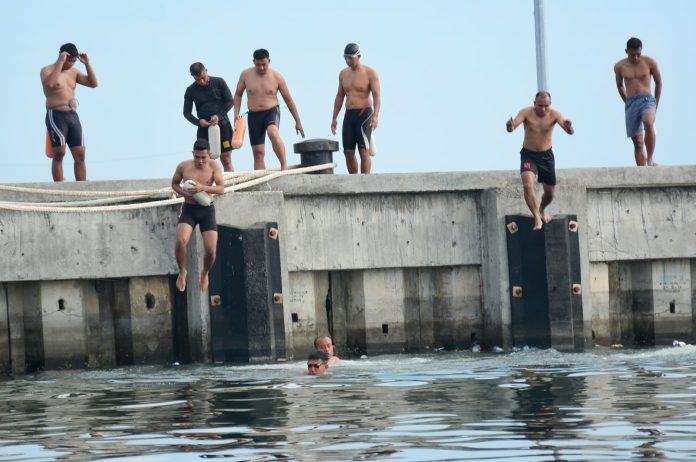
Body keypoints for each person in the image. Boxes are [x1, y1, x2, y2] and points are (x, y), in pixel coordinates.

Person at [506, 91, 574, 231]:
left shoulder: (555, 114)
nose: (543, 109)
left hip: (546, 157)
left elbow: (570, 131)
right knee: (527, 186)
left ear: (550, 104)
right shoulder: (526, 112)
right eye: (540, 105)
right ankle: (537, 217)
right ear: (534, 103)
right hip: (528, 155)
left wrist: (569, 127)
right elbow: (512, 127)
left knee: (549, 193)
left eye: (546, 106)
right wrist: (509, 125)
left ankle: (542, 209)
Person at [233, 49, 305, 170]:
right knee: (258, 152)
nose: (261, 68)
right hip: (254, 115)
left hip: (271, 111)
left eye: (264, 64)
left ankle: (284, 166)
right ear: (253, 62)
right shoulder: (245, 75)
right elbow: (238, 95)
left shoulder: (277, 77)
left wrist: (297, 121)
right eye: (258, 65)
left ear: (269, 61)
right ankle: (260, 181)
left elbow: (288, 99)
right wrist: (236, 114)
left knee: (272, 132)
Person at [171, 138, 225, 292]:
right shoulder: (184, 166)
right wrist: (184, 194)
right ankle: (182, 271)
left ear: (210, 155)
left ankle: (205, 273)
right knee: (181, 241)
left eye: (203, 157)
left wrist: (203, 187)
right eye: (197, 157)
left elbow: (221, 189)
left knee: (210, 250)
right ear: (193, 154)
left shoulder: (214, 166)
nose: (200, 161)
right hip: (189, 208)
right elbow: (174, 184)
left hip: (207, 209)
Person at [40, 43, 98, 182]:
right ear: (62, 56)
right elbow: (51, 85)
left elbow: (93, 83)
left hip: (72, 116)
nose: (71, 64)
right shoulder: (47, 70)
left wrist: (87, 64)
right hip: (56, 115)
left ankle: (82, 187)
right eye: (69, 60)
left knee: (80, 154)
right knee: (59, 153)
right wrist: (60, 62)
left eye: (74, 61)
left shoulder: (74, 72)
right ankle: (60, 186)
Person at [331, 43, 381, 174]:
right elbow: (339, 97)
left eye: (350, 58)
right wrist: (334, 118)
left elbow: (376, 96)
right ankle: (353, 180)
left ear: (359, 56)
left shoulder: (370, 73)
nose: (347, 61)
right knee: (348, 151)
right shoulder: (343, 74)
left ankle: (365, 180)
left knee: (363, 150)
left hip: (364, 114)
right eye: (345, 58)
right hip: (349, 115)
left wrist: (375, 116)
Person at [614, 37, 662, 167]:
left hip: (647, 99)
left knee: (648, 121)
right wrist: (627, 101)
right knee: (638, 142)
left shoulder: (649, 62)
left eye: (638, 54)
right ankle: (641, 169)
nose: (635, 57)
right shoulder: (619, 66)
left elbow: (658, 82)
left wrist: (655, 103)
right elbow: (619, 85)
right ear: (626, 51)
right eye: (632, 54)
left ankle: (650, 159)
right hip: (631, 102)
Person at [184, 63, 235, 172]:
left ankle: (231, 187)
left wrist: (219, 116)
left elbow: (230, 101)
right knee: (205, 161)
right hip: (203, 129)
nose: (201, 81)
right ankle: (209, 187)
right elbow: (187, 113)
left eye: (203, 78)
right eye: (197, 80)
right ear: (193, 77)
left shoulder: (219, 82)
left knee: (226, 158)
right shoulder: (190, 90)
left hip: (223, 125)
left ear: (206, 71)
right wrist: (198, 122)